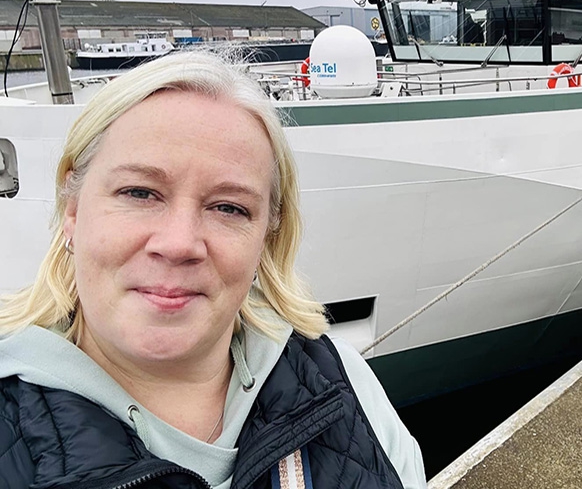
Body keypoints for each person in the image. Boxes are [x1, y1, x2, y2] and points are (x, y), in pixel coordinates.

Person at [0, 52, 426, 488]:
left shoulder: (344, 384)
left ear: (267, 238)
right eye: (140, 193)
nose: (180, 243)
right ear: (72, 207)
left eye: (229, 207)